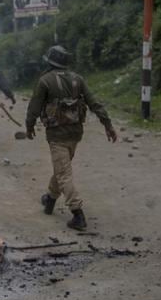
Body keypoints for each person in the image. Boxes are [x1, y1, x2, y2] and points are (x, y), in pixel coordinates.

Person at [26, 45, 117, 230]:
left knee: (63, 173)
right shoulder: (78, 79)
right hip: (76, 133)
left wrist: (29, 126)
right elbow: (94, 103)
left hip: (57, 135)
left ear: (50, 62)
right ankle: (50, 199)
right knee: (62, 168)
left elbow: (34, 107)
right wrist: (107, 124)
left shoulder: (44, 81)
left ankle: (77, 214)